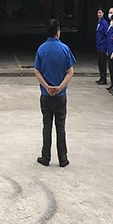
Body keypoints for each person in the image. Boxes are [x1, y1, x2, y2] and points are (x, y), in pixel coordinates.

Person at [33, 19, 76, 168]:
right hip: (60, 95)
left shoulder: (41, 49)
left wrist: (47, 87)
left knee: (47, 126)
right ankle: (63, 158)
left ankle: (46, 157)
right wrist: (59, 87)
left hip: (46, 95)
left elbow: (36, 70)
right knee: (60, 126)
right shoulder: (65, 49)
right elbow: (70, 72)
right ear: (58, 32)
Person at [95, 8, 109, 85]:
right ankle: (101, 77)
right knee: (100, 63)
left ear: (103, 13)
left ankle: (104, 78)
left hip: (103, 46)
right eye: (98, 12)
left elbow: (106, 35)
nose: (99, 14)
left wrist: (106, 46)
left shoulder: (104, 23)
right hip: (99, 46)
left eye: (100, 12)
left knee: (103, 63)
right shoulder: (99, 22)